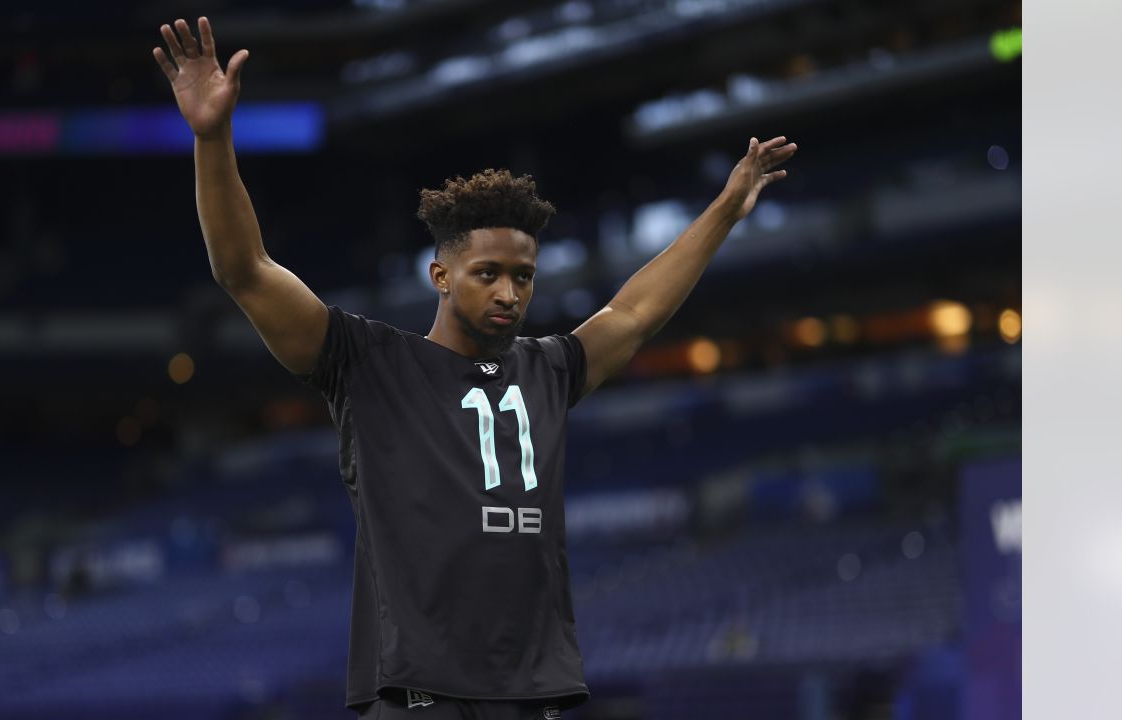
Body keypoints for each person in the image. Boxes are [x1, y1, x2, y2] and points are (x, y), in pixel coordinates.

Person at [154, 16, 797, 720]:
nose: (509, 293)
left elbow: (635, 313)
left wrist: (727, 208)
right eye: (487, 273)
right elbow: (245, 270)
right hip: (417, 695)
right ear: (439, 274)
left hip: (529, 693)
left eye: (523, 276)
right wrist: (212, 138)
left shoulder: (548, 369)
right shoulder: (367, 363)